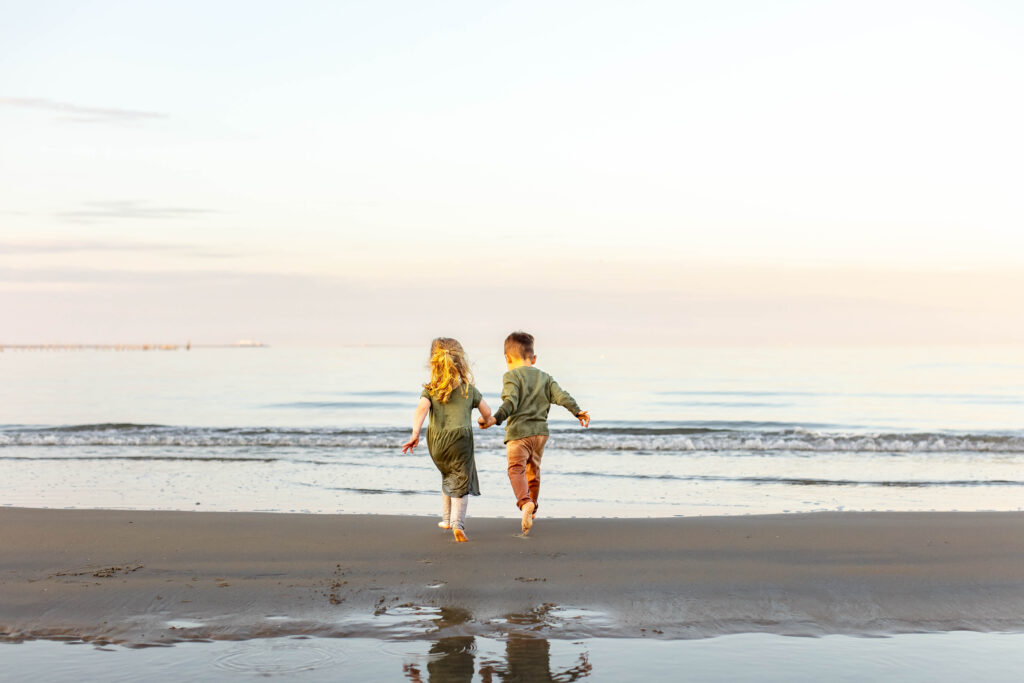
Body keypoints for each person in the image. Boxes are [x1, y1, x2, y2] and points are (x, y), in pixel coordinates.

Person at [478, 331, 590, 534]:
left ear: (507, 358)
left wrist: (495, 418)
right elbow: (562, 396)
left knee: (515, 469)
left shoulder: (511, 376)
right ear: (534, 358)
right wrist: (577, 411)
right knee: (533, 472)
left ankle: (525, 502)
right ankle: (533, 510)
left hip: (518, 433)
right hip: (540, 434)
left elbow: (510, 402)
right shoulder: (545, 378)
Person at [402, 337, 493, 542]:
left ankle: (445, 519)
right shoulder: (469, 390)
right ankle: (457, 524)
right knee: (460, 479)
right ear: (461, 362)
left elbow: (421, 409)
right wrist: (485, 421)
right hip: (460, 439)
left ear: (434, 363)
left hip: (436, 441)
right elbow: (487, 412)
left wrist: (415, 434)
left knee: (448, 473)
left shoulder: (431, 389)